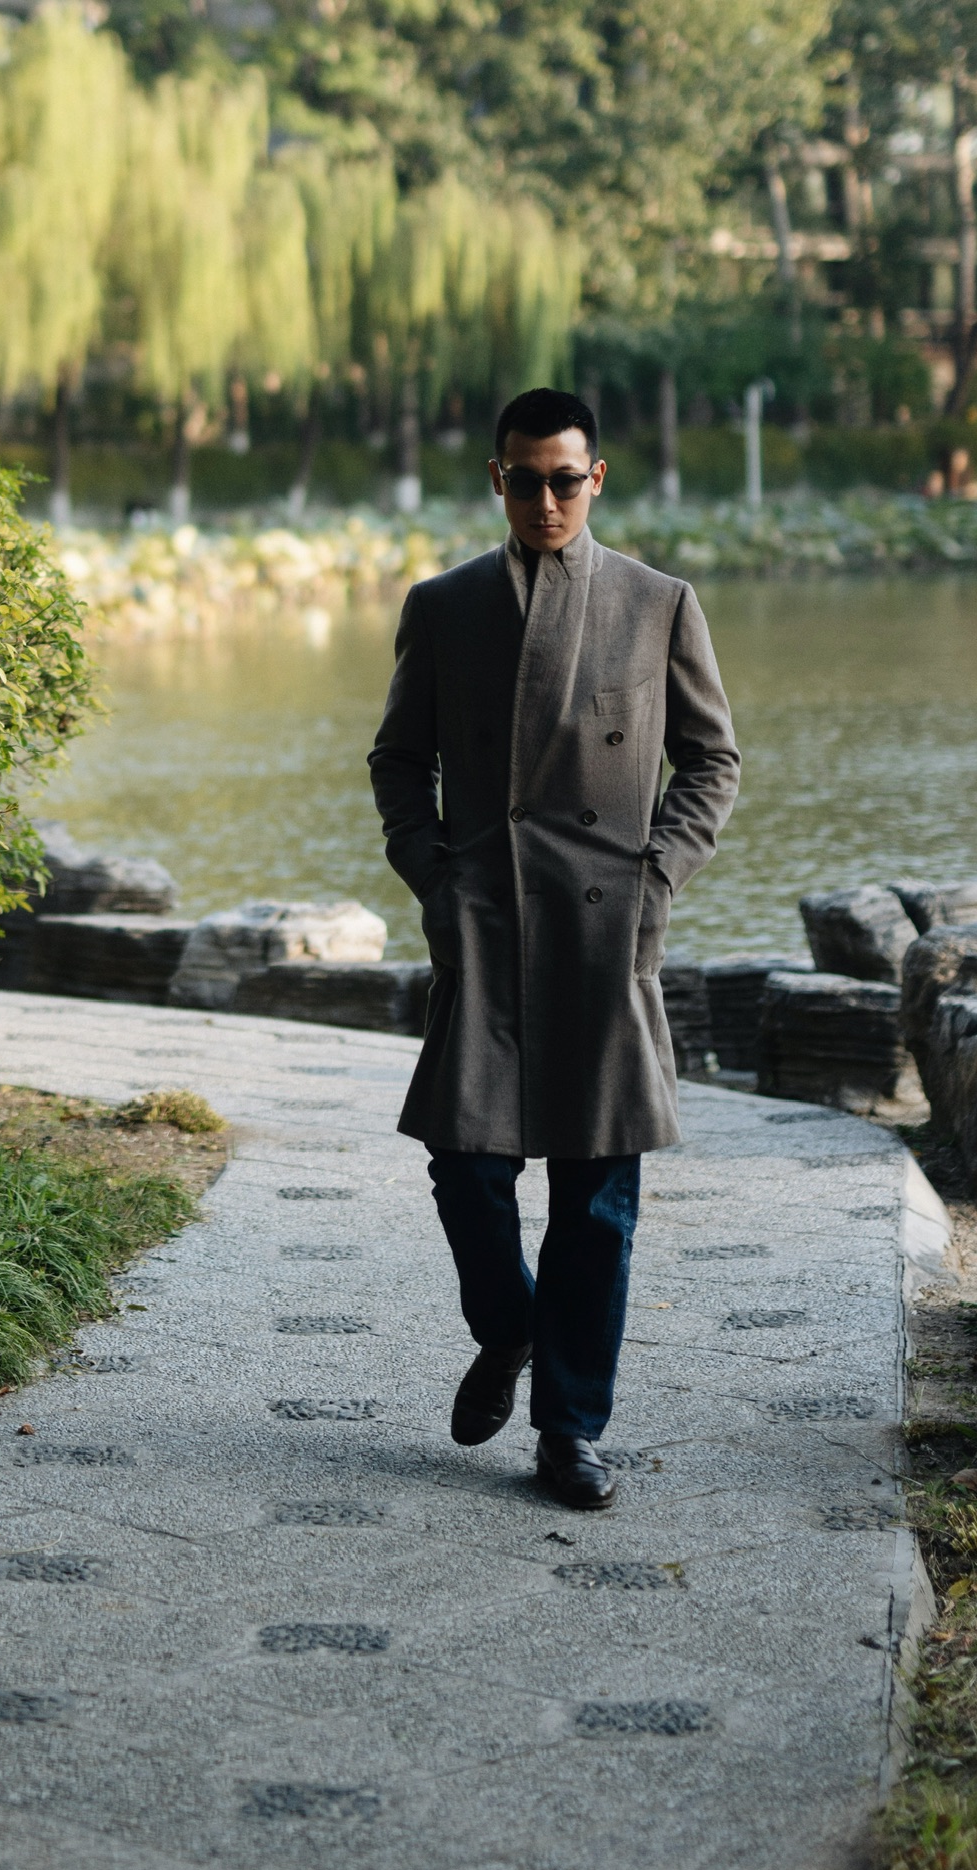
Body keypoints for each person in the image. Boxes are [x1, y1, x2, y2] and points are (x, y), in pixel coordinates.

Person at [368, 387, 740, 1510]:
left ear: (597, 478)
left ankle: (571, 1431)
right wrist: (435, 877)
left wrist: (655, 881)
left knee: (598, 1199)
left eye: (564, 481)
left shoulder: (658, 603)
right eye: (525, 481)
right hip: (484, 921)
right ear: (497, 479)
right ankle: (512, 1327)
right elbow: (399, 761)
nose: (545, 501)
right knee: (466, 1167)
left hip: (603, 927)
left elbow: (712, 762)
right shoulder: (444, 606)